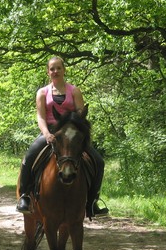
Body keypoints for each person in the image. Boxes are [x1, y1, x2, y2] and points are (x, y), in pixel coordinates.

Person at [16, 56, 108, 218]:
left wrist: (76, 131)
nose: (55, 71)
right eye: (52, 68)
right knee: (29, 157)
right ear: (48, 72)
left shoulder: (75, 91)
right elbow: (41, 117)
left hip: (71, 134)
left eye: (58, 68)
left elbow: (81, 114)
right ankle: (25, 197)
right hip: (50, 132)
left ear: (64, 70)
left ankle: (92, 202)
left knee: (98, 161)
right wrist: (46, 134)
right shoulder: (42, 93)